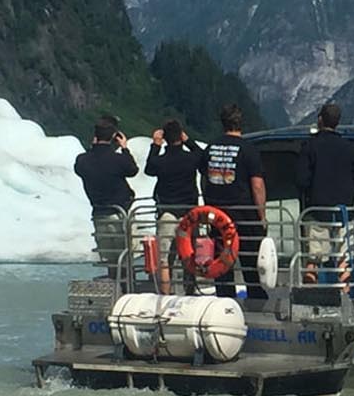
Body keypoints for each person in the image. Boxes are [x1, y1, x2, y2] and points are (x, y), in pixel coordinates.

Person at [295, 102, 354, 281]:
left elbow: (301, 180)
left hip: (317, 212)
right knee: (344, 259)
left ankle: (311, 293)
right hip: (344, 213)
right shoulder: (351, 149)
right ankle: (344, 292)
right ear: (338, 122)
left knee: (313, 259)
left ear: (320, 120)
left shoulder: (309, 147)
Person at [203, 104, 268, 302]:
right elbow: (257, 185)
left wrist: (207, 204)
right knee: (249, 256)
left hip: (217, 212)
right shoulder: (248, 150)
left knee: (222, 257)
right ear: (241, 123)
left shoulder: (211, 147)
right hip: (244, 212)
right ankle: (255, 295)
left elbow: (203, 178)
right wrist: (261, 214)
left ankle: (224, 298)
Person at [144, 118, 205, 294]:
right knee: (189, 254)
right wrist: (189, 141)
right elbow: (202, 156)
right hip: (189, 213)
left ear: (165, 138)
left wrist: (155, 145)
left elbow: (149, 168)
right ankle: (190, 290)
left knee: (164, 260)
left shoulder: (161, 161)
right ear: (180, 136)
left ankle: (165, 294)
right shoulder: (190, 158)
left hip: (167, 212)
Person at [73, 115, 138, 268]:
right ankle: (127, 287)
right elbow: (132, 170)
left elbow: (82, 166)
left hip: (99, 213)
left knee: (110, 260)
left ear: (95, 136)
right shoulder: (118, 159)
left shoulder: (83, 161)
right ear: (114, 136)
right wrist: (125, 148)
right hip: (120, 212)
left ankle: (115, 286)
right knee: (126, 258)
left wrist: (94, 147)